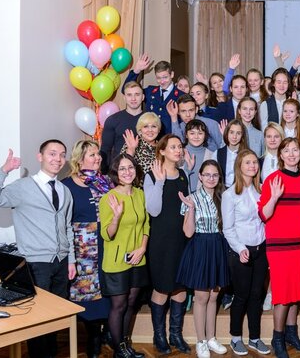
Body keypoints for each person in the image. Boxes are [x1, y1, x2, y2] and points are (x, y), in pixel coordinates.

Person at [0, 141, 76, 358]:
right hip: (35, 263)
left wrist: (71, 259)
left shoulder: (65, 190)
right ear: (40, 157)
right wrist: (3, 171)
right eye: (52, 154)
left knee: (55, 316)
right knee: (38, 317)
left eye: (62, 155)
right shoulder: (22, 187)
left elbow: (67, 227)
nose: (58, 159)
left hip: (61, 262)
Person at [258, 138, 300, 358]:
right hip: (280, 246)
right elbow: (264, 215)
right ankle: (277, 337)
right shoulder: (273, 179)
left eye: (295, 150)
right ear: (280, 155)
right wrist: (274, 197)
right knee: (282, 293)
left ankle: (291, 333)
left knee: (296, 291)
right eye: (286, 150)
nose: (291, 154)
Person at [62, 140, 112, 357]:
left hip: (106, 243)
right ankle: (92, 339)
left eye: (98, 154)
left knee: (106, 292)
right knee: (85, 293)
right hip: (82, 249)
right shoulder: (66, 186)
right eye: (92, 155)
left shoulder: (104, 182)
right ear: (79, 159)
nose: (98, 158)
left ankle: (103, 334)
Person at [177, 160, 231, 358]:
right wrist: (191, 209)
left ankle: (211, 338)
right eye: (207, 174)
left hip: (218, 246)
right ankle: (200, 341)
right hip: (200, 246)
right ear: (199, 176)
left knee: (214, 296)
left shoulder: (223, 197)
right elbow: (188, 232)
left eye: (214, 175)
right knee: (201, 297)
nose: (211, 178)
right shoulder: (191, 198)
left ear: (219, 177)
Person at [144, 135, 191, 354]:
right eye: (173, 147)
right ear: (162, 151)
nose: (178, 150)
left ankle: (175, 335)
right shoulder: (151, 175)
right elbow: (153, 210)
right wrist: (160, 181)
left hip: (181, 240)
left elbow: (186, 206)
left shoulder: (183, 174)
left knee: (180, 288)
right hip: (161, 241)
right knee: (162, 288)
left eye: (179, 146)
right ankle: (159, 336)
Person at [99, 154, 149, 358]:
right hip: (116, 260)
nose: (127, 172)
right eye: (122, 168)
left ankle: (125, 344)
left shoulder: (140, 194)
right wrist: (116, 217)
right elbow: (107, 234)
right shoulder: (108, 198)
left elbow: (146, 224)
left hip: (137, 258)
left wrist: (142, 248)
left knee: (131, 302)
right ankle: (118, 350)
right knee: (119, 306)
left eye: (130, 167)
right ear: (115, 173)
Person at [222, 150, 271, 356]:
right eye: (247, 162)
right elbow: (228, 229)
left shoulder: (261, 190)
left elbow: (265, 220)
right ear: (239, 166)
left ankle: (254, 338)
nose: (252, 166)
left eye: (254, 162)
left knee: (256, 295)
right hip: (240, 251)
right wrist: (241, 248)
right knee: (241, 296)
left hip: (261, 248)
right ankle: (235, 338)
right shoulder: (229, 195)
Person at [123, 56, 185, 134]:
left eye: (165, 77)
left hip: (170, 138)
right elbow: (126, 90)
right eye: (158, 78)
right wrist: (136, 71)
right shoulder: (150, 91)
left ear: (172, 74)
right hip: (150, 136)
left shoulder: (182, 96)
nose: (162, 81)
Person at [101, 81, 144, 168]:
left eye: (137, 94)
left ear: (143, 97)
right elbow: (105, 150)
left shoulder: (151, 120)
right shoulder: (113, 120)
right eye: (129, 95)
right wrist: (105, 172)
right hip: (119, 170)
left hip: (145, 170)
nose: (133, 98)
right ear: (124, 97)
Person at [182, 119, 216, 193]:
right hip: (180, 195)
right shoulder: (179, 153)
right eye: (192, 133)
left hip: (203, 196)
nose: (196, 137)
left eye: (200, 133)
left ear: (205, 135)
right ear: (186, 135)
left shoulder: (211, 155)